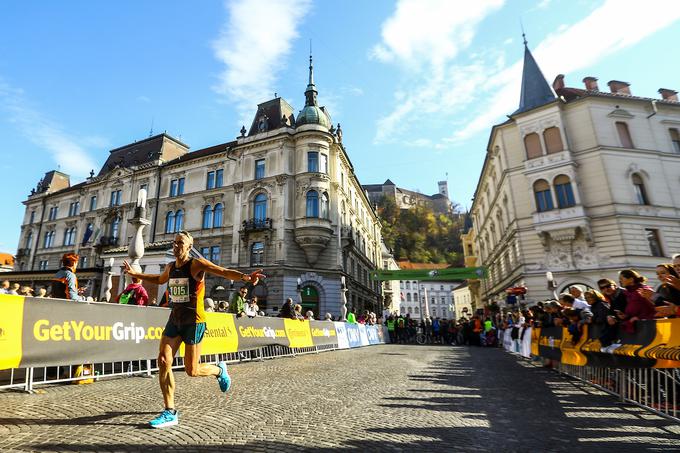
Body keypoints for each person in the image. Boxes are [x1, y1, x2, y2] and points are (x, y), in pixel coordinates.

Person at [123, 230, 264, 429]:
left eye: (180, 243)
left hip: (194, 322)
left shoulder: (196, 264)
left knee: (192, 370)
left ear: (189, 247)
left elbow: (222, 271)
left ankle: (218, 370)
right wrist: (136, 274)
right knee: (163, 360)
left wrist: (246, 278)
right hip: (175, 319)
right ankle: (169, 411)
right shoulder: (171, 266)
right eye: (175, 242)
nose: (176, 246)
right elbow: (159, 280)